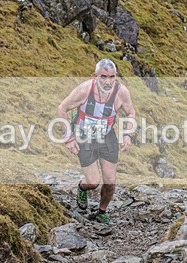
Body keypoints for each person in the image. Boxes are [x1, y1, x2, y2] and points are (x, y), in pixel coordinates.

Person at [57, 59, 136, 224]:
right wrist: (69, 138)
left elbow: (131, 113)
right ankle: (81, 187)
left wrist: (128, 134)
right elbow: (62, 108)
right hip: (83, 136)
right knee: (93, 182)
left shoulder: (121, 92)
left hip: (106, 136)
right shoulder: (85, 90)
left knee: (110, 181)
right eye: (103, 77)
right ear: (95, 76)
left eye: (112, 77)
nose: (107, 82)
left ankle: (101, 211)